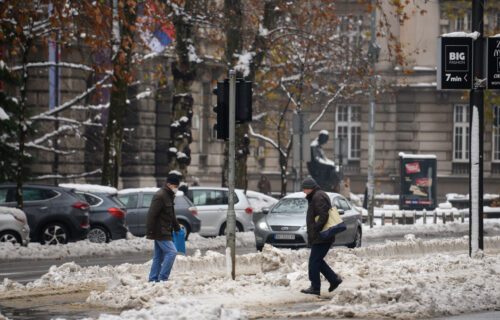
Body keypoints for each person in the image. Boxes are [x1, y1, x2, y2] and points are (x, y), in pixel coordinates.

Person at [300, 176, 343, 295]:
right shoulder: (317, 195)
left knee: (314, 262)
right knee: (317, 261)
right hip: (322, 235)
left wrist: (316, 228)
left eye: (304, 189)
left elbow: (323, 215)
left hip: (322, 235)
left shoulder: (318, 197)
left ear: (309, 188)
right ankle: (333, 279)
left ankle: (315, 287)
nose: (303, 191)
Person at [146, 173, 181, 282]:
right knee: (172, 252)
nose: (176, 189)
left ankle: (153, 280)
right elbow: (151, 214)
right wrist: (150, 231)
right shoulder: (160, 195)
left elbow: (171, 214)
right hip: (160, 231)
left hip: (165, 229)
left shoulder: (169, 195)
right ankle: (162, 279)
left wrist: (177, 227)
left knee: (158, 257)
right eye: (175, 187)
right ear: (169, 184)